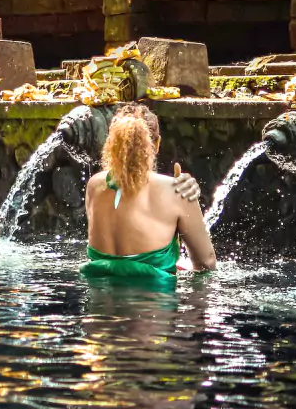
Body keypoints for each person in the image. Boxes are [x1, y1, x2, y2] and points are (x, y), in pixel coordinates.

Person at [82, 104, 216, 279]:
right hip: (153, 304)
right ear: (157, 144)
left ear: (112, 143)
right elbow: (206, 263)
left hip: (100, 303)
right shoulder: (178, 191)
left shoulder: (94, 185)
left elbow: (119, 262)